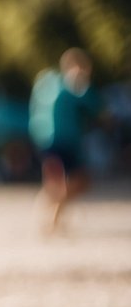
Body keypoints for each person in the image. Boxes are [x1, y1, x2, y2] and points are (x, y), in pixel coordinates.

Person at [29, 48, 103, 234]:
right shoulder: (69, 86)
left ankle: (48, 218)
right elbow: (94, 105)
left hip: (47, 140)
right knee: (75, 182)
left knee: (56, 185)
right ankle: (51, 220)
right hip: (62, 141)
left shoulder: (47, 82)